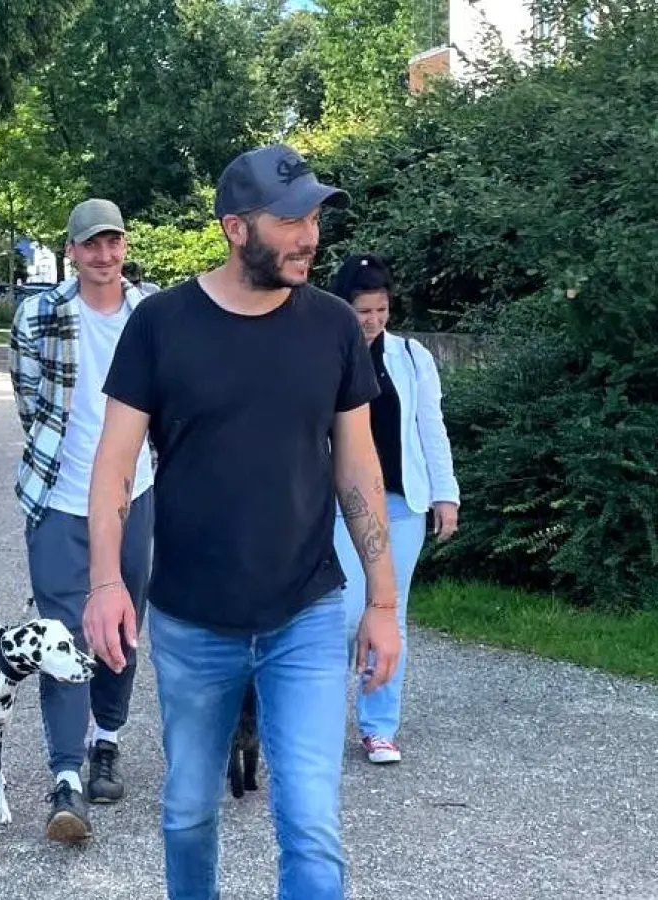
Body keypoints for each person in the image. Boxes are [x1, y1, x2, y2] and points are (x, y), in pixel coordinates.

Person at [81, 144, 402, 900]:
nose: (309, 236)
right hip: (193, 621)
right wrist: (104, 582)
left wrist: (382, 603)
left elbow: (357, 467)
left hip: (306, 613)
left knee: (311, 827)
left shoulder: (329, 327)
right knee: (188, 815)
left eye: (314, 216)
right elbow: (113, 467)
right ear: (233, 227)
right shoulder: (160, 325)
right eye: (289, 219)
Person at [9, 198, 156, 844]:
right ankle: (65, 775)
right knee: (59, 636)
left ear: (124, 246)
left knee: (122, 626)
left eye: (112, 243)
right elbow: (29, 403)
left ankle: (107, 739)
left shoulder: (149, 313)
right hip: (58, 498)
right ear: (70, 251)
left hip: (137, 494)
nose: (103, 255)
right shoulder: (39, 314)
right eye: (90, 245)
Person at [328, 252, 460, 765]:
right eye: (364, 310)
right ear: (344, 306)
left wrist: (445, 494)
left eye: (381, 310)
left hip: (402, 503)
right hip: (341, 505)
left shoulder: (411, 357)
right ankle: (312, 719)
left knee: (390, 615)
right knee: (341, 615)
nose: (373, 321)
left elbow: (432, 427)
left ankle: (379, 727)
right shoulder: (326, 353)